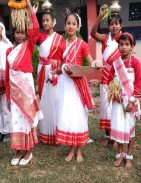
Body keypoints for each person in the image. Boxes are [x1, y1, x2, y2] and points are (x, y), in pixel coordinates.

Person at [55, 13, 100, 163]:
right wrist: (60, 69)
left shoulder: (82, 44)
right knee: (67, 115)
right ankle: (71, 149)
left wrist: (95, 64)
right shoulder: (61, 44)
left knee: (78, 115)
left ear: (78, 27)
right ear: (64, 25)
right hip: (65, 83)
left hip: (78, 84)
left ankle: (79, 149)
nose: (71, 26)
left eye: (74, 24)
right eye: (68, 23)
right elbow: (60, 65)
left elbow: (90, 61)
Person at [5, 1, 43, 166]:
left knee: (27, 118)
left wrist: (29, 9)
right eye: (17, 33)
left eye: (22, 32)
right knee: (15, 119)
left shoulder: (29, 46)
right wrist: (7, 96)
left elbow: (35, 29)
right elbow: (6, 76)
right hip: (14, 91)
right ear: (13, 33)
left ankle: (28, 151)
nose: (20, 35)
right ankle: (18, 150)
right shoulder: (9, 51)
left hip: (26, 88)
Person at [108, 33, 141, 170]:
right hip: (118, 102)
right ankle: (121, 154)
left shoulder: (135, 62)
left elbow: (138, 84)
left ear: (132, 46)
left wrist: (133, 102)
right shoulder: (115, 64)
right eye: (121, 44)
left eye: (127, 44)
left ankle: (129, 156)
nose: (123, 47)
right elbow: (110, 82)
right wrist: (115, 94)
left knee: (129, 130)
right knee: (119, 128)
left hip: (130, 102)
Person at [90, 4, 122, 146]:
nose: (114, 26)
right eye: (111, 24)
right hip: (105, 77)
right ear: (108, 26)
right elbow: (92, 33)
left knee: (117, 107)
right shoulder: (105, 39)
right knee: (106, 107)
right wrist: (100, 16)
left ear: (121, 25)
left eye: (117, 24)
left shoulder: (124, 39)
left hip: (118, 78)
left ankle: (116, 136)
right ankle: (108, 135)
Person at [36, 10, 65, 145]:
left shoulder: (59, 38)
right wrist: (32, 11)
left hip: (54, 71)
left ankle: (56, 133)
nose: (45, 22)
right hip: (42, 70)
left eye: (48, 20)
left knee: (55, 100)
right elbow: (31, 32)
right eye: (43, 20)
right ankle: (45, 133)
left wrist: (57, 73)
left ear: (53, 22)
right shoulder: (40, 37)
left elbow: (61, 57)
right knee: (44, 101)